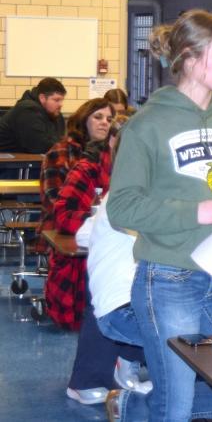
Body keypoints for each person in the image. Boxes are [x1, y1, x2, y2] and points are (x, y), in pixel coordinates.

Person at [106, 9, 212, 421]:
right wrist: (192, 210)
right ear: (190, 58)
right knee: (175, 406)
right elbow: (121, 207)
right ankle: (156, 406)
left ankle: (135, 405)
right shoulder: (146, 125)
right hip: (167, 278)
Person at [56, 117, 149, 406]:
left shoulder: (127, 186)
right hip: (122, 288)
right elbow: (78, 228)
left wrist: (103, 238)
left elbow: (86, 234)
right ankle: (97, 374)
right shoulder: (114, 184)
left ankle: (126, 361)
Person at [39, 99, 115, 241]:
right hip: (60, 229)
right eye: (98, 117)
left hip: (100, 228)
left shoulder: (110, 155)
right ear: (83, 120)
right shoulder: (61, 151)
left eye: (109, 120)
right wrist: (93, 218)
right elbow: (52, 199)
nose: (105, 122)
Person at [0, 76, 67, 154]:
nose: (61, 104)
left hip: (22, 160)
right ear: (42, 98)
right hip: (6, 162)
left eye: (62, 100)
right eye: (56, 100)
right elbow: (39, 147)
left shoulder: (55, 114)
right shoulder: (27, 110)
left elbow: (59, 143)